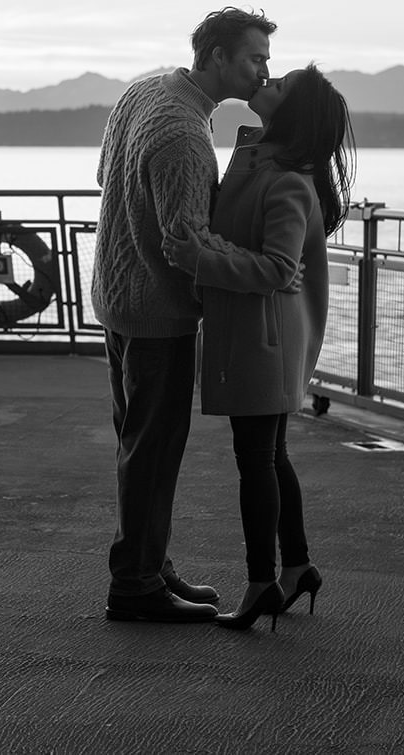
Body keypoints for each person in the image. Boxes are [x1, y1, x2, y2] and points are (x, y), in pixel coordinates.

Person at [92, 6, 275, 623]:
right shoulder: (187, 137)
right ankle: (137, 584)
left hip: (116, 299)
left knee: (135, 443)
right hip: (156, 314)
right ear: (217, 56)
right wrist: (258, 272)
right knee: (153, 450)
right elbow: (184, 241)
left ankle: (148, 562)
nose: (263, 71)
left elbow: (104, 178)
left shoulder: (141, 91)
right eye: (254, 58)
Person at [162, 64, 355, 631]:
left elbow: (275, 267)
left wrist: (199, 258)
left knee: (257, 462)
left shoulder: (287, 180)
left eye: (280, 85)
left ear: (289, 113)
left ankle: (260, 582)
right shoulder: (257, 161)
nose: (266, 82)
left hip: (263, 339)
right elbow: (257, 252)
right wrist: (207, 246)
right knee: (271, 457)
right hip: (259, 333)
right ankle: (295, 568)